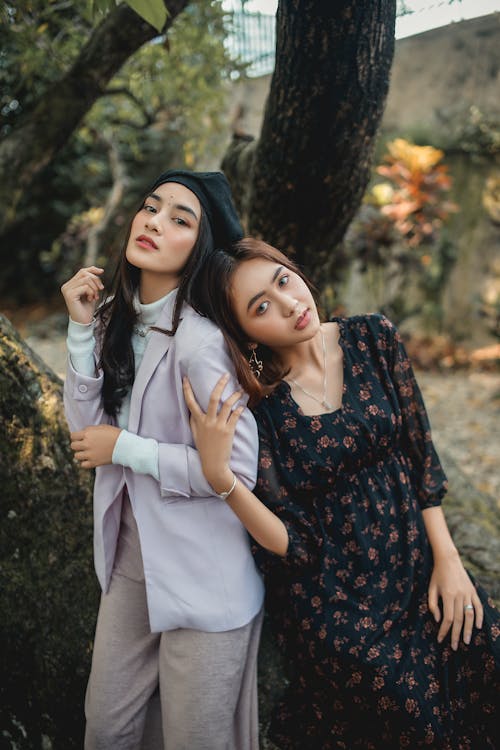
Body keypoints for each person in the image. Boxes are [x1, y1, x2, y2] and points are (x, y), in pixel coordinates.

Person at [183, 237, 500, 750]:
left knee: (483, 652)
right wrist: (222, 477)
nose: (288, 305)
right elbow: (291, 542)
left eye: (283, 281)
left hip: (419, 569)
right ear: (245, 332)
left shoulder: (373, 338)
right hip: (337, 601)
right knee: (413, 717)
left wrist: (449, 559)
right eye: (260, 306)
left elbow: (421, 456)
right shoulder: (262, 409)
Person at [61, 172, 265, 750]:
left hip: (204, 578)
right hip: (133, 565)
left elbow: (235, 473)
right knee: (105, 728)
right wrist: (80, 332)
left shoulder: (200, 344)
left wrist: (127, 449)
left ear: (198, 251)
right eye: (151, 207)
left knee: (194, 740)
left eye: (180, 219)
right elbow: (85, 437)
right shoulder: (112, 321)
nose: (154, 221)